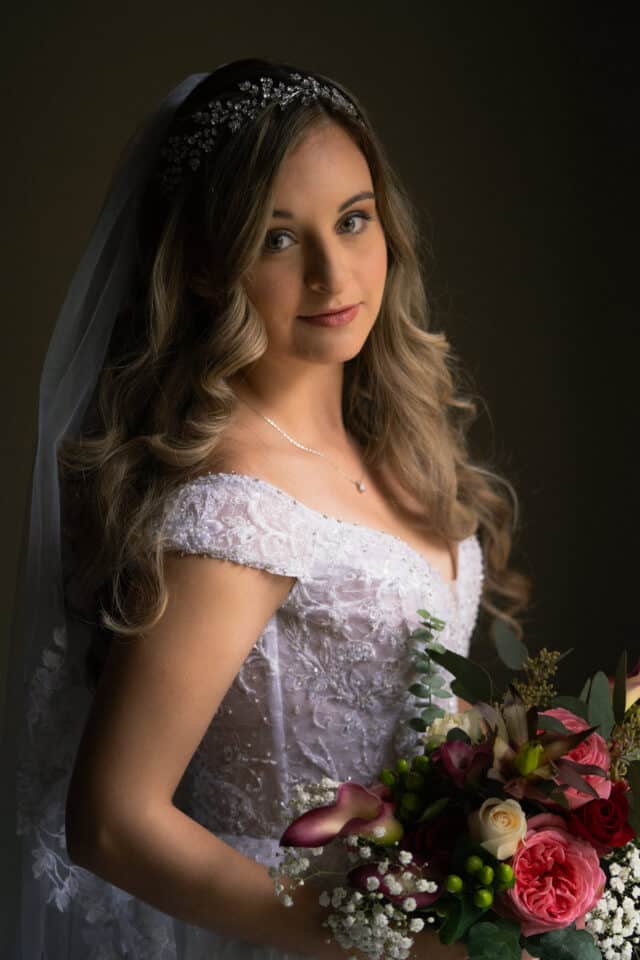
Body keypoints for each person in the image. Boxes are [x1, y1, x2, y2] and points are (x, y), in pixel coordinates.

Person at [0, 58, 531, 959]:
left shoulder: (392, 439)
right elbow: (113, 823)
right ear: (206, 266)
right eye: (278, 239)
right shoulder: (234, 507)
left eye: (353, 220)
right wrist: (385, 946)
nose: (334, 273)